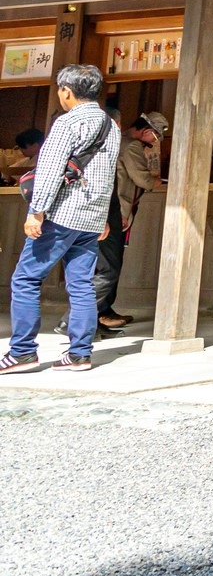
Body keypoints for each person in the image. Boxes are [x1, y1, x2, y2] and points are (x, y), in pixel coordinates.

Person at [4, 65, 119, 374]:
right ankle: (79, 354)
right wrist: (103, 217)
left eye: (59, 90)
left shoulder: (66, 124)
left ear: (67, 91)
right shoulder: (111, 126)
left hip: (62, 215)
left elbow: (50, 171)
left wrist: (36, 212)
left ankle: (23, 351)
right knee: (81, 284)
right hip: (92, 218)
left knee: (26, 279)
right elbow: (109, 177)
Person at [95, 110, 165, 336]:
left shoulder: (120, 141)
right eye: (155, 137)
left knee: (106, 263)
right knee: (109, 265)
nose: (154, 142)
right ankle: (96, 312)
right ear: (146, 131)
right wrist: (155, 180)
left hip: (113, 209)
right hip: (119, 209)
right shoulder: (132, 146)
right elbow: (141, 178)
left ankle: (102, 311)